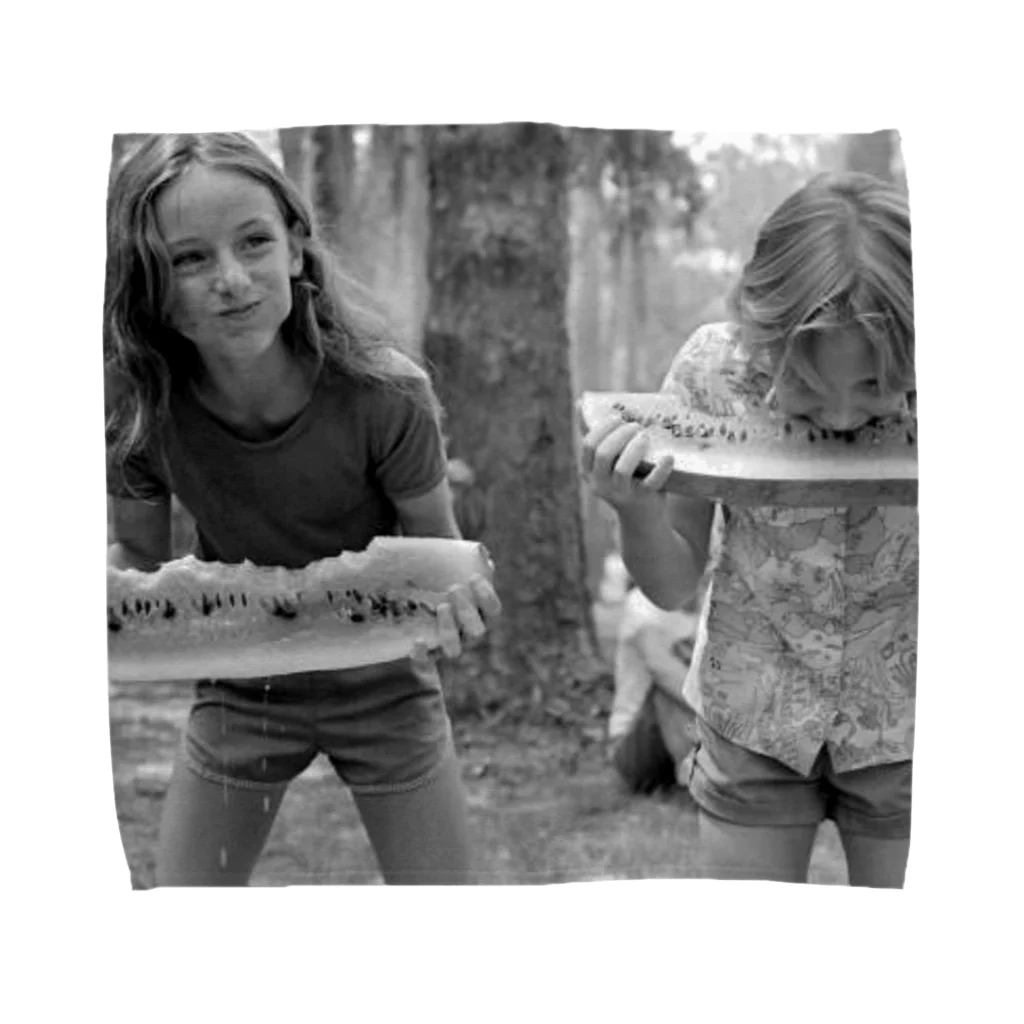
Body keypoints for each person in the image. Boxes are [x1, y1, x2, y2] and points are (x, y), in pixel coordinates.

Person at [105, 132, 501, 886]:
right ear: (148, 283)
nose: (230, 279)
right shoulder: (139, 407)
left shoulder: (388, 394)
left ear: (296, 249)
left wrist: (464, 608)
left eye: (253, 242)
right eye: (189, 259)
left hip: (386, 688)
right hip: (237, 689)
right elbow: (137, 563)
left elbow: (438, 561)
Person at [581, 171, 915, 887]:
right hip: (754, 716)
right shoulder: (712, 370)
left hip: (912, 728)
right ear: (762, 330)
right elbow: (671, 585)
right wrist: (635, 510)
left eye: (874, 391)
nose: (843, 419)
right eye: (808, 391)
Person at [607, 573, 701, 795]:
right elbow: (660, 667)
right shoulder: (644, 604)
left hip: (696, 731)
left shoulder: (719, 606)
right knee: (667, 690)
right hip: (635, 747)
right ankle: (696, 780)